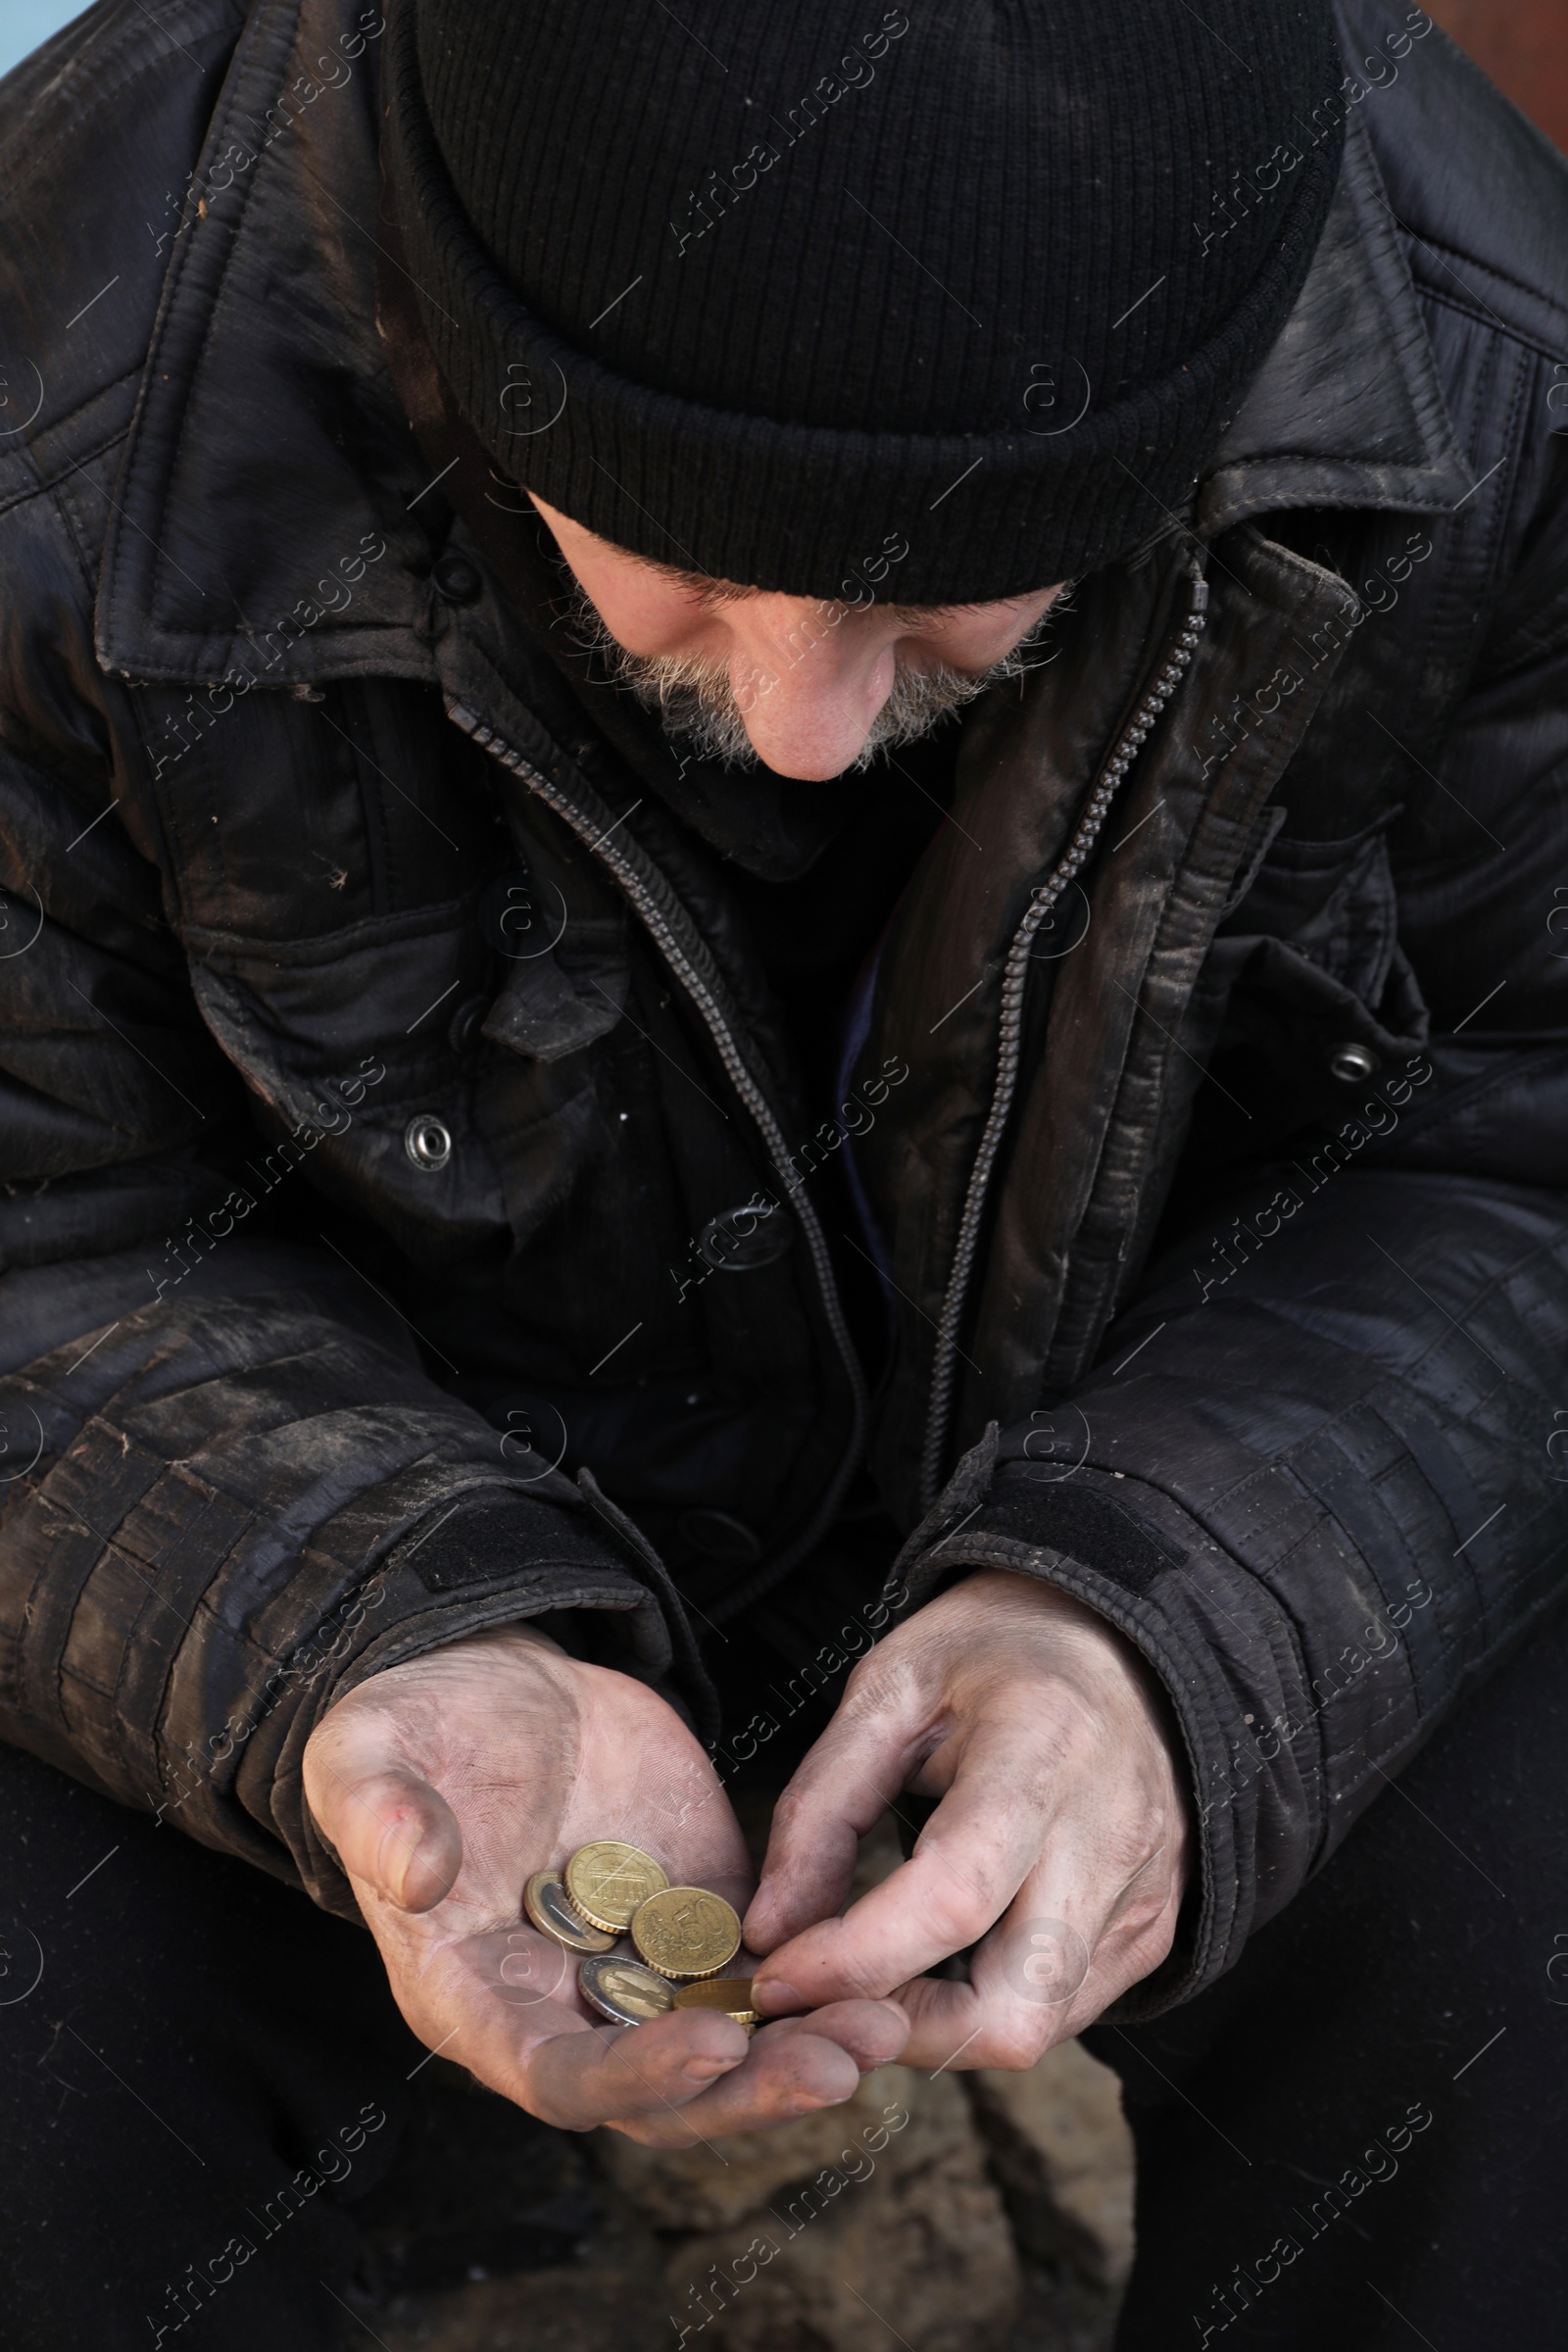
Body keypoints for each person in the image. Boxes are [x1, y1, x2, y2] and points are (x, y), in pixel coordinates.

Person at [0, 0, 1563, 2343]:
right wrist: (350, 1619)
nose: (803, 724)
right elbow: (36, 1222)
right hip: (358, 1478)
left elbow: (1526, 1124)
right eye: (679, 557)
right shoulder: (66, 373)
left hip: (1155, 1468)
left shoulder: (1482, 348)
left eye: (947, 597)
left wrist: (1170, 1630)